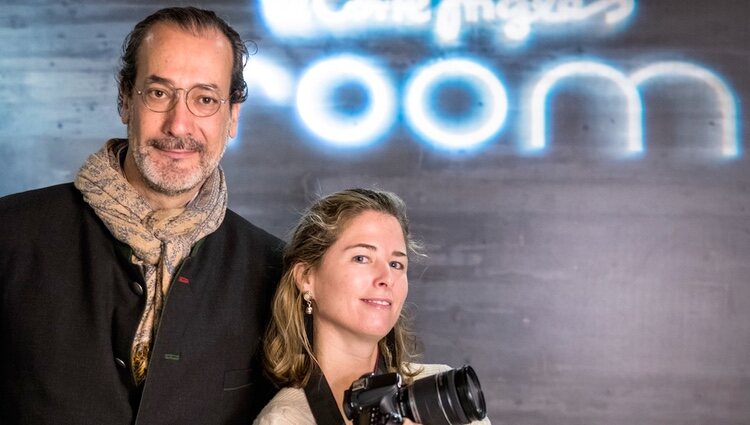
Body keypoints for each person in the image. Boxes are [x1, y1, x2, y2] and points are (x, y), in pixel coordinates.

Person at [0, 7, 283, 424]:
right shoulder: (12, 233)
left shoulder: (274, 270)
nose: (179, 124)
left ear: (232, 117)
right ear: (125, 99)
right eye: (159, 93)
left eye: (204, 99)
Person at [253, 188, 489, 424]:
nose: (386, 277)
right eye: (361, 258)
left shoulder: (447, 398)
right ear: (306, 277)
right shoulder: (285, 418)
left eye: (396, 264)